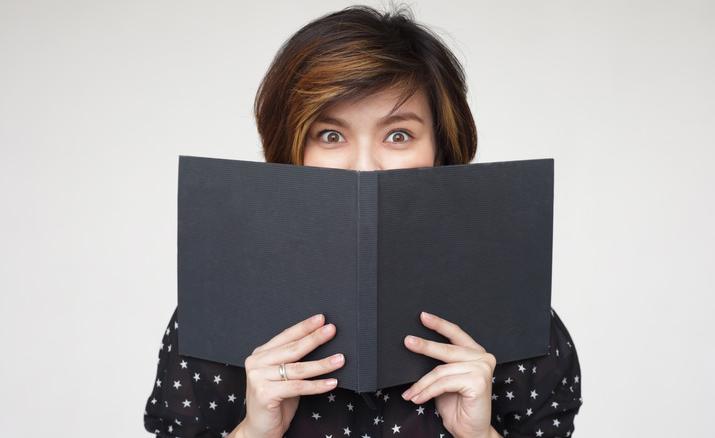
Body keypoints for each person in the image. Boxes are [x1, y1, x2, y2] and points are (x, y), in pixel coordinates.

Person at [144, 6, 582, 438]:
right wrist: (255, 432)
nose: (365, 167)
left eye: (399, 135)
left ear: (442, 150)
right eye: (330, 135)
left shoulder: (517, 317)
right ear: (292, 149)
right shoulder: (218, 311)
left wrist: (478, 434)